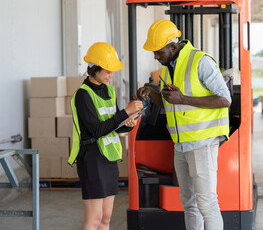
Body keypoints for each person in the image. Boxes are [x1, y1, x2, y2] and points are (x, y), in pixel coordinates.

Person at [137, 19, 231, 230]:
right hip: (180, 145)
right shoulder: (169, 67)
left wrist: (183, 99)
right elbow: (171, 103)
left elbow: (225, 99)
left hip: (202, 142)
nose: (155, 56)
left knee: (207, 204)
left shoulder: (200, 61)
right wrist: (152, 93)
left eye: (158, 52)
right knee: (189, 204)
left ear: (172, 46)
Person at [68, 42, 143, 230]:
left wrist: (126, 125)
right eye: (108, 71)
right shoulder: (83, 95)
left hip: (108, 157)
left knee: (106, 218)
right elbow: (96, 130)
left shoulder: (109, 91)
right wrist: (125, 112)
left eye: (112, 71)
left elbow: (113, 125)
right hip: (91, 157)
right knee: (94, 219)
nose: (111, 75)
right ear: (94, 69)